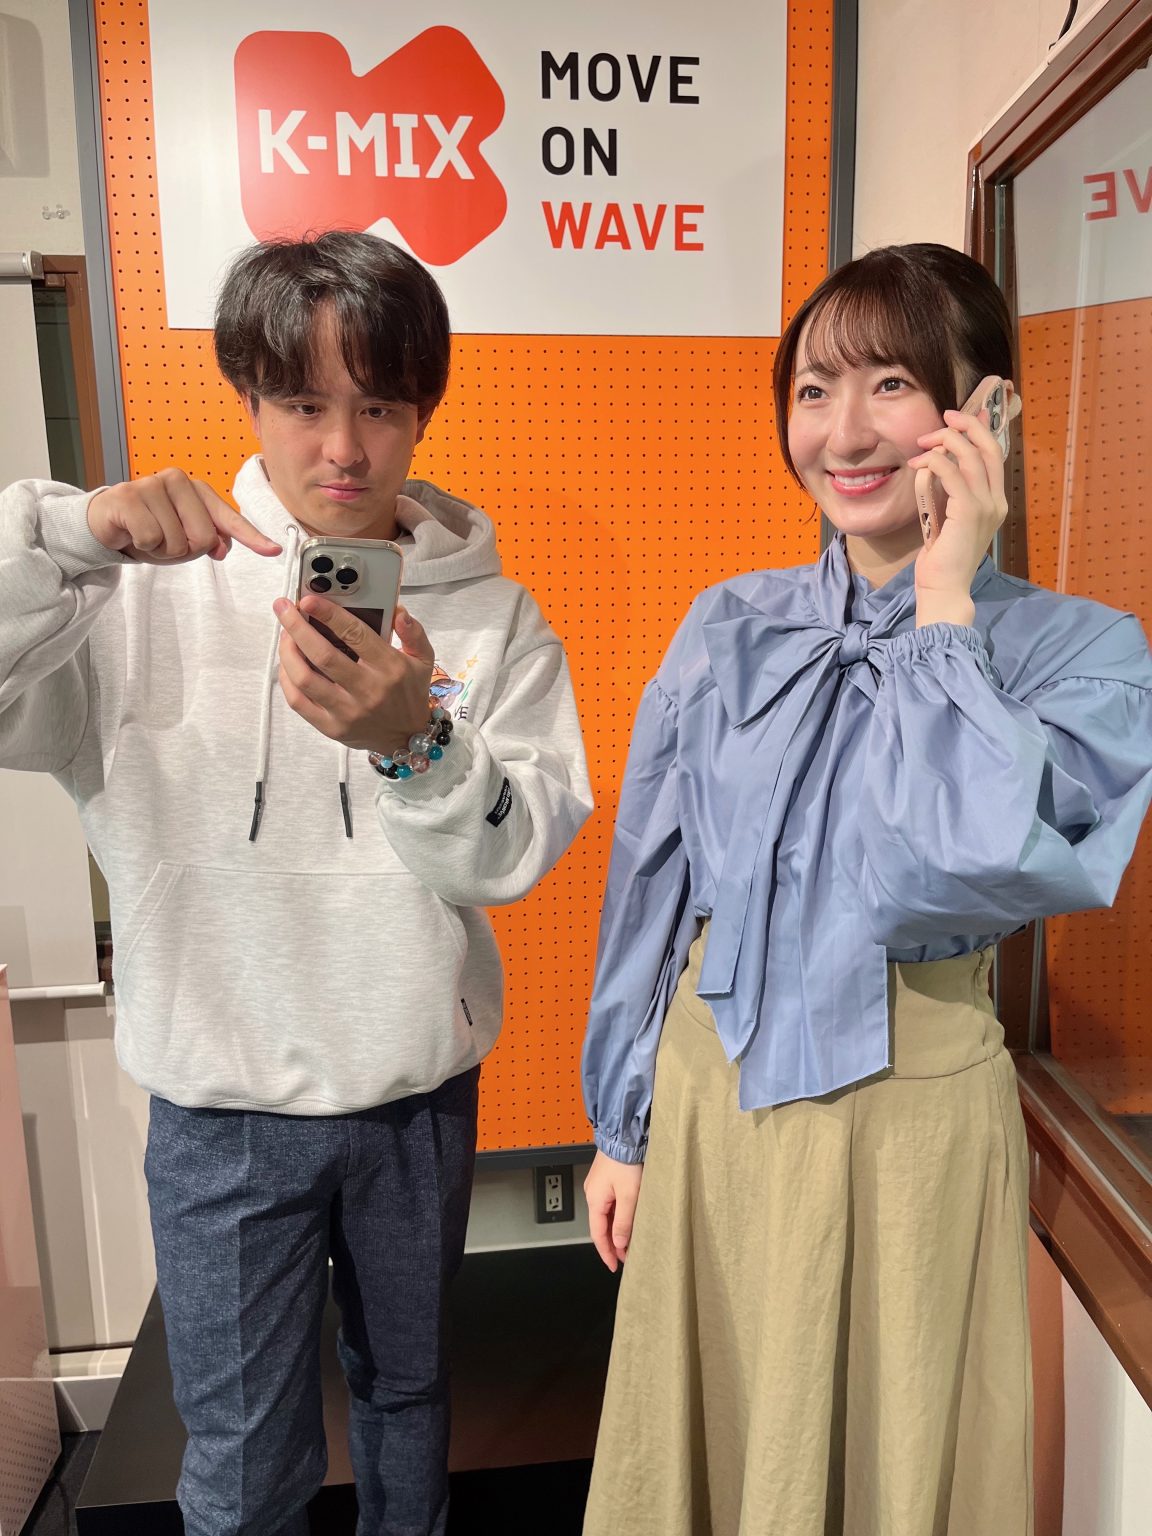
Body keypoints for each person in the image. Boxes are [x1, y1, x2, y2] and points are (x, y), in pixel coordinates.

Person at [0, 231, 591, 1536]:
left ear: (421, 411)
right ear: (248, 399)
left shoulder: (492, 619)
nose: (342, 448)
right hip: (220, 1111)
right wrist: (63, 534)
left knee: (409, 1404)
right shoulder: (132, 600)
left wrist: (416, 743)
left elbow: (512, 855)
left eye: (379, 407)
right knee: (242, 1458)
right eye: (302, 402)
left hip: (414, 1099)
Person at [579, 243, 1152, 1536]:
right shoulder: (727, 624)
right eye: (813, 389)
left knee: (889, 1468)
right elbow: (654, 886)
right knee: (714, 1450)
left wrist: (945, 608)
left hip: (912, 1123)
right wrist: (622, 1125)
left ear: (983, 409)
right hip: (713, 1099)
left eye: (890, 384)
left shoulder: (1083, 654)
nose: (842, 434)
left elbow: (958, 867)